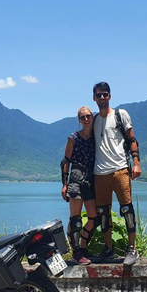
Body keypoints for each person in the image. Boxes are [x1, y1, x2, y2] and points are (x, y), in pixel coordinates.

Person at [91, 82, 141, 266]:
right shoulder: (94, 120)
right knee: (103, 213)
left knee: (126, 209)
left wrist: (136, 162)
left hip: (120, 169)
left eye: (105, 94)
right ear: (94, 98)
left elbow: (132, 139)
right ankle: (108, 249)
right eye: (99, 95)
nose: (102, 98)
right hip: (100, 173)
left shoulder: (121, 115)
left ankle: (132, 248)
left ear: (110, 96)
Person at [61, 106, 98, 265]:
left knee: (94, 218)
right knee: (76, 219)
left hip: (91, 179)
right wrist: (65, 184)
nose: (86, 119)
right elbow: (65, 162)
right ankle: (76, 251)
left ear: (92, 117)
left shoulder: (97, 137)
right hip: (76, 179)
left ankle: (82, 246)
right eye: (82, 117)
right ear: (79, 120)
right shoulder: (73, 138)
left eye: (88, 116)